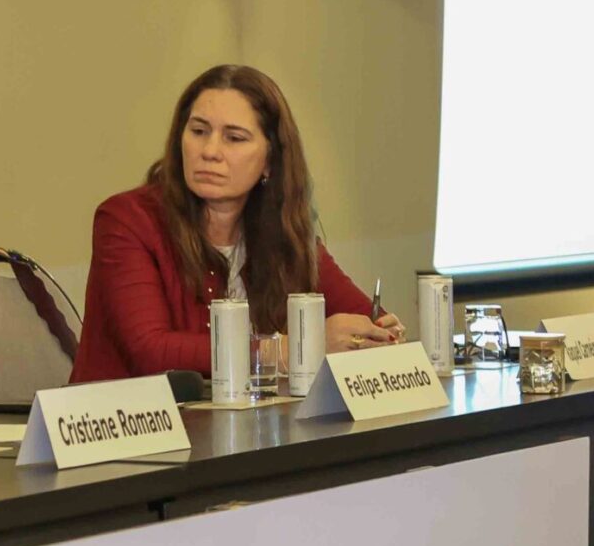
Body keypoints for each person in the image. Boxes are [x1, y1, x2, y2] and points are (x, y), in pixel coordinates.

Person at [70, 63, 402, 384]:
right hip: (128, 419)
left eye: (234, 138)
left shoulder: (285, 233)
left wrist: (377, 336)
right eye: (198, 131)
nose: (210, 151)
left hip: (245, 421)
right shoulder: (127, 220)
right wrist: (295, 349)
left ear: (270, 160)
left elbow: (370, 318)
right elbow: (153, 352)